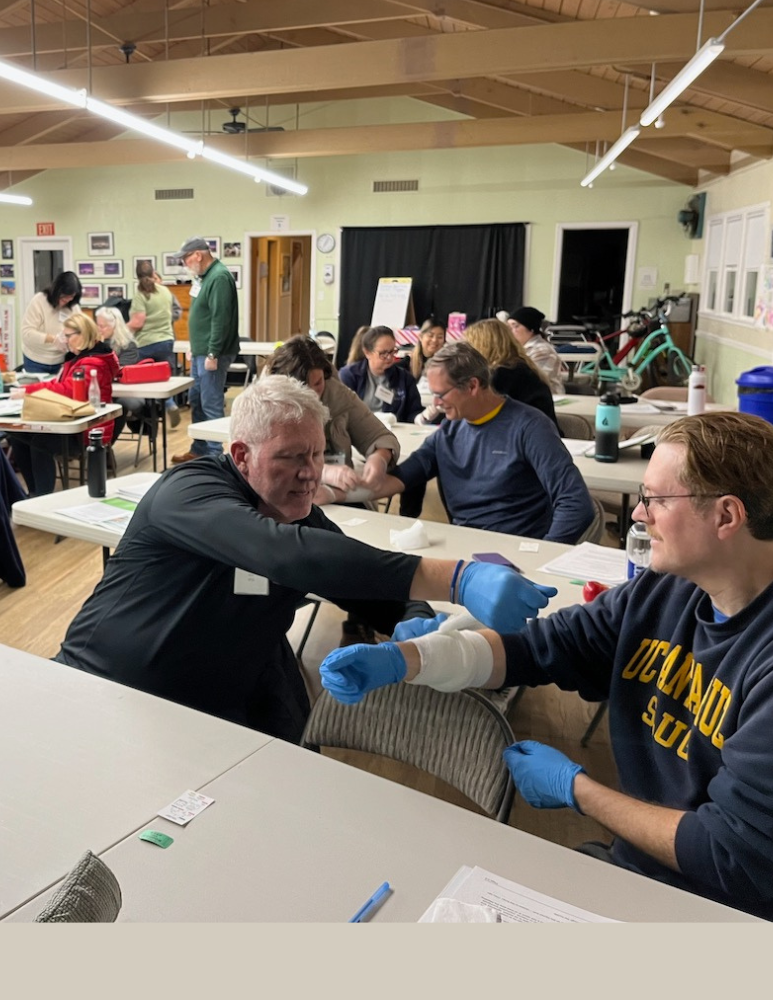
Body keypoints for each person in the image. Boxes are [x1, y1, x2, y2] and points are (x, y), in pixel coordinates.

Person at [318, 411, 773, 919]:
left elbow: (730, 854)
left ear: (727, 516)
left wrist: (578, 790)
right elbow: (544, 645)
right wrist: (409, 659)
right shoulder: (664, 591)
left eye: (657, 499)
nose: (640, 515)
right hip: (639, 871)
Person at [52, 375, 557, 744]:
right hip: (102, 689)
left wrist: (414, 617)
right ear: (242, 454)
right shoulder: (189, 491)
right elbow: (286, 557)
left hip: (210, 709)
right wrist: (457, 577)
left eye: (317, 455)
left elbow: (354, 574)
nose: (309, 473)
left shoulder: (300, 519)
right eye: (291, 457)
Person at [336, 341, 593, 543]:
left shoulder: (530, 427)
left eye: (441, 394)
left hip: (518, 548)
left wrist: (545, 554)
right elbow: (401, 477)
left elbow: (576, 503)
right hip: (467, 546)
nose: (434, 404)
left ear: (472, 386)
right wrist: (333, 492)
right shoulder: (449, 430)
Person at [263, 335, 403, 645]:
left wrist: (379, 457)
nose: (315, 391)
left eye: (318, 382)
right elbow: (266, 466)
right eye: (306, 385)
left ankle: (363, 622)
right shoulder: (263, 401)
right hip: (284, 505)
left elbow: (380, 435)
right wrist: (324, 470)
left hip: (338, 501)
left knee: (365, 551)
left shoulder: (337, 393)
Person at [7, 314, 119, 495]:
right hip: (73, 422)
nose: (64, 340)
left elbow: (68, 389)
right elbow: (59, 385)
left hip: (86, 431)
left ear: (82, 334)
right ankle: (33, 494)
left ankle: (41, 496)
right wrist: (28, 389)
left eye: (68, 336)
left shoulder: (93, 362)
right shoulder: (81, 358)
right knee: (18, 437)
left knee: (38, 440)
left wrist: (28, 392)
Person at [339, 325, 424, 517]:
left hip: (393, 438)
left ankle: (409, 517)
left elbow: (414, 412)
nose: (390, 358)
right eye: (383, 353)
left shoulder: (403, 378)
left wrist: (424, 417)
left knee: (417, 468)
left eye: (393, 351)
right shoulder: (349, 375)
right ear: (367, 352)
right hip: (357, 440)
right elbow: (341, 415)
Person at [169, 237, 239, 463]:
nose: (185, 264)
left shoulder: (218, 277)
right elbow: (203, 318)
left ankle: (216, 458)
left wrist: (212, 353)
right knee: (197, 399)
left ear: (198, 255)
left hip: (212, 354)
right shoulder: (204, 277)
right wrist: (194, 346)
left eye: (187, 259)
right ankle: (199, 450)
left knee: (210, 403)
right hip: (201, 352)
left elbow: (220, 319)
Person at [464, 317, 558, 426]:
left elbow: (479, 414)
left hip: (528, 437)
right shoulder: (521, 366)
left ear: (482, 346)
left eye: (470, 345)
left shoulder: (502, 374)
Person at [127, 261, 180, 428]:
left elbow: (137, 322)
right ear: (153, 273)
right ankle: (170, 404)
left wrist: (120, 330)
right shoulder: (165, 291)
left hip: (146, 343)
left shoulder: (141, 294)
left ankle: (143, 415)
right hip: (166, 340)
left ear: (137, 276)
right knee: (161, 378)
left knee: (140, 380)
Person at [95, 305, 142, 439]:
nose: (99, 329)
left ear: (115, 326)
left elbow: (119, 371)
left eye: (103, 326)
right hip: (99, 388)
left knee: (116, 406)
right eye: (97, 325)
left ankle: (105, 447)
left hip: (121, 391)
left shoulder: (128, 345)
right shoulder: (93, 343)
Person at [20, 271, 82, 374]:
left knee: (58, 389)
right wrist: (53, 339)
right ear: (56, 291)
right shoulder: (39, 301)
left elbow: (81, 330)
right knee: (38, 390)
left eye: (71, 297)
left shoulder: (73, 306)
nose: (67, 300)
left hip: (61, 361)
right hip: (35, 360)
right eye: (64, 297)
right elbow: (26, 333)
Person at [506, 307, 565, 394]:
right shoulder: (515, 348)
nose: (510, 331)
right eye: (508, 327)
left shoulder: (543, 351)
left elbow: (532, 380)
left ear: (531, 329)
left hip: (545, 400)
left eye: (515, 326)